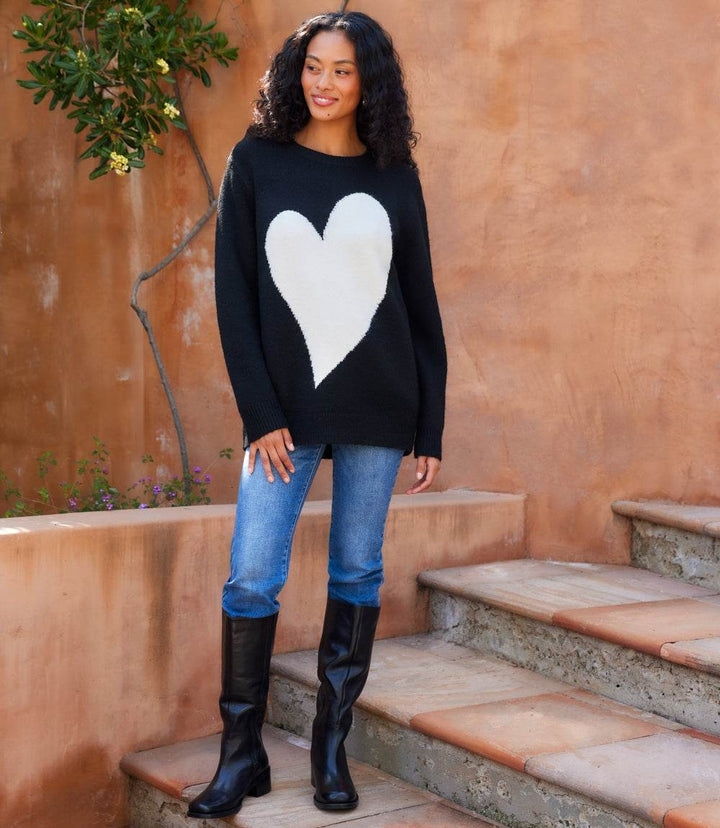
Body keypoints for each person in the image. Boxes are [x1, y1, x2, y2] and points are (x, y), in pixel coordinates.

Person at [187, 9, 447, 820]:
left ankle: (332, 751)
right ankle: (241, 757)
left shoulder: (394, 174)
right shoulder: (256, 162)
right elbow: (235, 297)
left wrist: (429, 425)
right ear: (294, 72)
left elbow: (419, 305)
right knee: (252, 574)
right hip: (283, 417)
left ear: (368, 81)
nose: (324, 84)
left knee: (358, 571)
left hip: (380, 404)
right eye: (312, 67)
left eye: (342, 70)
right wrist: (261, 411)